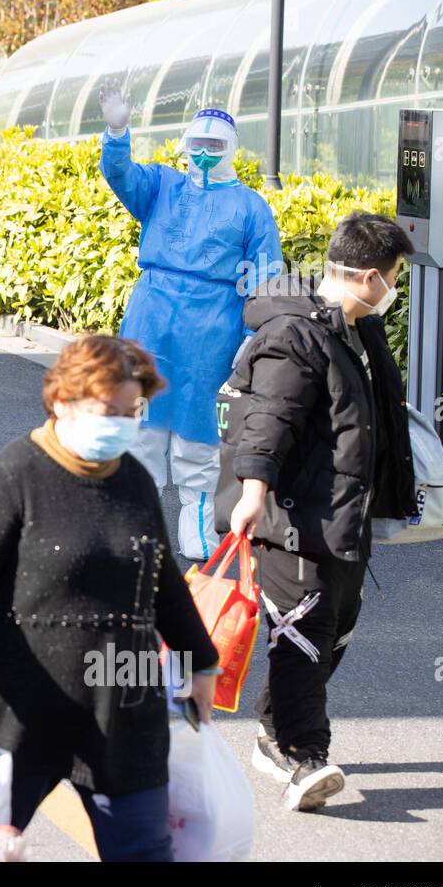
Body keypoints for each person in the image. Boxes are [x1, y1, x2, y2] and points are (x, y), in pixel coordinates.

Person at [0, 335, 221, 859]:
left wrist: (201, 663)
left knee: (145, 853)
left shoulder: (136, 481)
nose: (122, 424)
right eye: (109, 411)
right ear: (62, 401)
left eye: (132, 412)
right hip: (20, 710)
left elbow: (162, 579)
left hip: (123, 709)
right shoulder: (14, 475)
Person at [219, 212, 417, 812]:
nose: (396, 285)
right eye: (395, 275)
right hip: (291, 516)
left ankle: (274, 729)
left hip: (341, 515)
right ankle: (305, 755)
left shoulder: (356, 328)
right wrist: (252, 491)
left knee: (334, 633)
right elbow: (268, 418)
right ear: (368, 276)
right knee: (302, 636)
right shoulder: (294, 336)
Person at [99, 83, 282, 561]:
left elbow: (264, 277)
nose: (203, 154)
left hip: (212, 330)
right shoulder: (161, 186)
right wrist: (117, 132)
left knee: (198, 430)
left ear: (231, 150)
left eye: (213, 146)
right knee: (141, 424)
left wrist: (251, 336)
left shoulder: (251, 208)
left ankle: (196, 526)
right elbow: (119, 174)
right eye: (196, 145)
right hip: (151, 317)